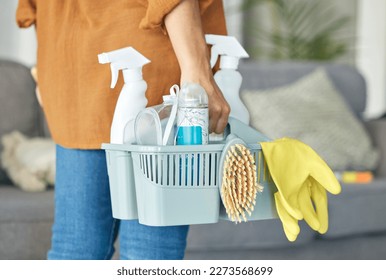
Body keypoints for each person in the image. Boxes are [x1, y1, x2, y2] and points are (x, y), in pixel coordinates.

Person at [16, 0, 230, 260]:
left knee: (76, 251)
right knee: (149, 256)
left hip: (74, 73)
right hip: (153, 71)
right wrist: (198, 73)